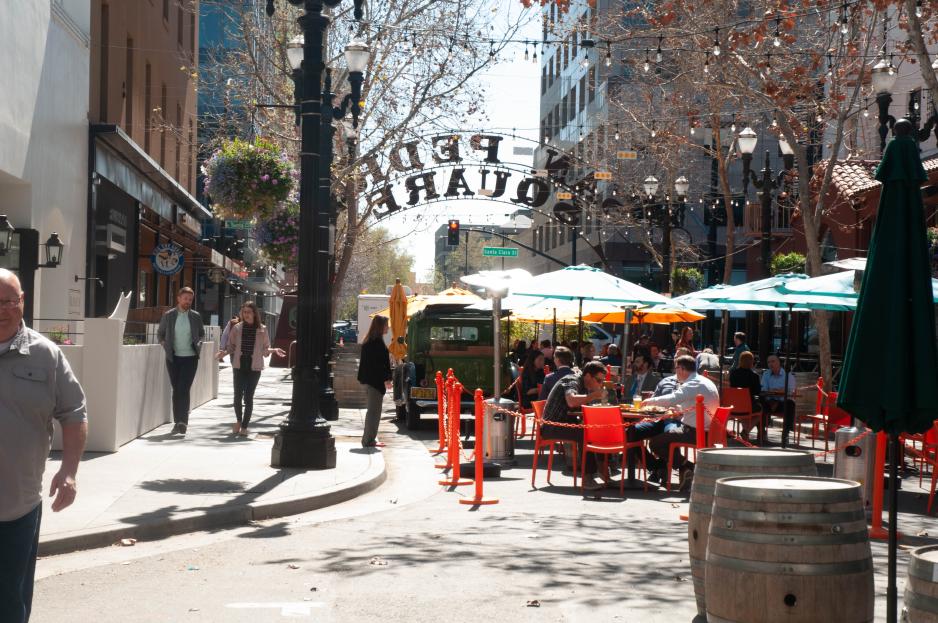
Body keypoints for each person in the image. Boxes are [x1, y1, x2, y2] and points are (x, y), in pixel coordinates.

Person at [0, 269, 88, 621]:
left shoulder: (45, 355)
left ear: (22, 302)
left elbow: (74, 412)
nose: (2, 308)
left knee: (10, 601)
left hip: (16, 506)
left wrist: (69, 472)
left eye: (9, 300)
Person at [628, 355, 720, 490]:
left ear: (682, 369)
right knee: (639, 431)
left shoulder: (693, 383)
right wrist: (678, 409)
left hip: (695, 432)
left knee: (656, 442)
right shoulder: (702, 381)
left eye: (676, 368)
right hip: (702, 429)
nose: (674, 371)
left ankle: (686, 466)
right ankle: (671, 467)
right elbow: (689, 404)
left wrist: (650, 401)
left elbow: (673, 398)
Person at [217, 302, 285, 436]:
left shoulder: (262, 329)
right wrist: (224, 352)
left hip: (254, 367)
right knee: (237, 396)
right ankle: (238, 420)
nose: (246, 314)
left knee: (248, 397)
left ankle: (244, 426)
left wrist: (274, 350)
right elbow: (231, 346)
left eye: (248, 312)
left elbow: (265, 349)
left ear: (254, 313)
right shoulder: (236, 328)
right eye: (244, 312)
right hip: (239, 365)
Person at [541, 360, 609, 490]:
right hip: (552, 426)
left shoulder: (583, 384)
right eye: (599, 381)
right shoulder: (573, 380)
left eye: (602, 381)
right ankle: (587, 478)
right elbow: (571, 400)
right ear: (588, 376)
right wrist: (593, 395)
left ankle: (603, 472)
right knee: (586, 433)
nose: (601, 384)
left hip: (565, 423)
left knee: (596, 430)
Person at [157, 286, 206, 435]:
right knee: (176, 390)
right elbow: (160, 333)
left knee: (184, 389)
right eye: (185, 299)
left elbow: (202, 334)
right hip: (173, 358)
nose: (188, 302)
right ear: (178, 298)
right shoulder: (169, 315)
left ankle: (182, 422)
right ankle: (177, 422)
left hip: (190, 358)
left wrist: (199, 343)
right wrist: (164, 344)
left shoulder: (195, 316)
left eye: (190, 299)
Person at [357, 316, 392, 448]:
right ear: (380, 326)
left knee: (373, 411)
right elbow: (379, 365)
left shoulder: (370, 341)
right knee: (374, 412)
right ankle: (369, 440)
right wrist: (386, 379)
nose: (388, 327)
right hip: (374, 382)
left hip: (370, 381)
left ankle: (369, 438)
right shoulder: (376, 343)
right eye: (386, 325)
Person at [760, 354, 797, 445]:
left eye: (773, 361)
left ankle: (786, 433)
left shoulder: (788, 376)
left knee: (790, 404)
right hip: (770, 401)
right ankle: (762, 432)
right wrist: (775, 392)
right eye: (769, 362)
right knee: (760, 403)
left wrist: (778, 391)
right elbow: (764, 389)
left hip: (782, 402)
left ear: (779, 363)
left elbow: (790, 391)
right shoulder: (766, 374)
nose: (770, 364)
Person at [729, 350, 763, 440]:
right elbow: (757, 392)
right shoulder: (754, 376)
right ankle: (746, 430)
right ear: (752, 362)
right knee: (761, 409)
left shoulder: (733, 374)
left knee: (748, 408)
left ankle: (746, 431)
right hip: (748, 406)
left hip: (733, 406)